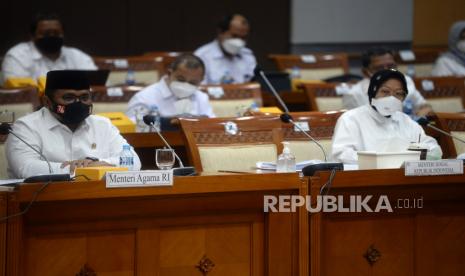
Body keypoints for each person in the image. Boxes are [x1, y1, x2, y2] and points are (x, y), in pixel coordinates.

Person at [6, 70, 141, 178]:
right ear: (47, 102)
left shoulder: (102, 125)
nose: (78, 103)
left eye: (84, 98)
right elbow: (25, 168)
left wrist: (100, 164)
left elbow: (134, 161)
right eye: (68, 98)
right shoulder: (26, 127)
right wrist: (75, 168)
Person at [332, 69, 442, 164]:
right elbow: (340, 154)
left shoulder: (406, 121)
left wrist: (423, 154)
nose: (391, 98)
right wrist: (381, 160)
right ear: (372, 92)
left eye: (398, 93)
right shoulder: (350, 119)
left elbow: (432, 148)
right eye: (385, 92)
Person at [1, 12, 97, 83]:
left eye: (56, 33)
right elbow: (21, 93)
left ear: (63, 34)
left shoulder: (77, 56)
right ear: (32, 36)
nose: (51, 36)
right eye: (45, 34)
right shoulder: (17, 56)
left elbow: (96, 84)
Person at [342, 47, 431, 118]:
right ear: (366, 72)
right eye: (379, 68)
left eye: (391, 66)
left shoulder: (406, 81)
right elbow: (354, 125)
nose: (388, 72)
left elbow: (424, 106)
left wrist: (419, 117)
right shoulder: (353, 95)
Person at [126, 54, 215, 121]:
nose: (186, 85)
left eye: (193, 82)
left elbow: (213, 124)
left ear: (201, 80)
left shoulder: (201, 97)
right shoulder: (144, 97)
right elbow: (132, 128)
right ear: (169, 73)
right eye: (181, 80)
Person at [194, 14, 256, 84]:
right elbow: (199, 90)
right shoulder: (202, 56)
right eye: (234, 36)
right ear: (220, 32)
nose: (239, 41)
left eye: (243, 38)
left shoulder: (248, 56)